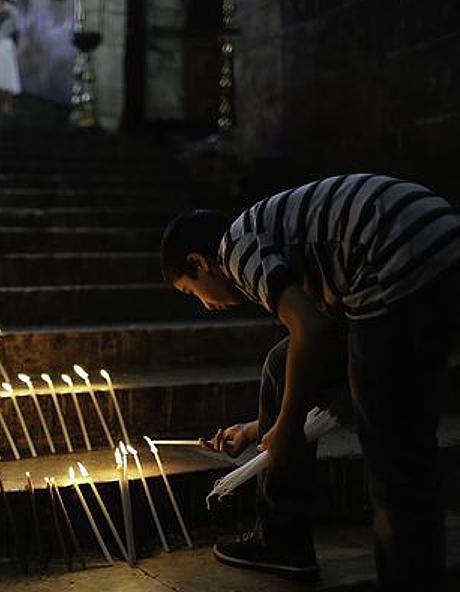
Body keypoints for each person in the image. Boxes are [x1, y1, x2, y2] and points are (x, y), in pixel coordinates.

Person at [160, 174, 459, 590]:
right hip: (432, 239)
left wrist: (285, 428)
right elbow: (335, 363)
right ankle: (282, 537)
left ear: (198, 262)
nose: (207, 305)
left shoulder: (235, 247)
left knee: (394, 459)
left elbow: (311, 332)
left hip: (394, 255)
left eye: (193, 292)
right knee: (284, 363)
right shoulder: (287, 245)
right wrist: (259, 430)